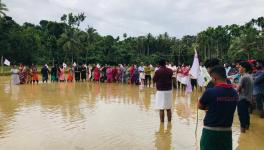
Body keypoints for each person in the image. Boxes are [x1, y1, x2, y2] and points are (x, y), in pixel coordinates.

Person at [199, 66, 238, 150]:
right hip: (227, 132)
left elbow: (200, 106)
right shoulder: (235, 93)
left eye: (211, 78)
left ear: (214, 77)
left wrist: (209, 106)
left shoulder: (210, 92)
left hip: (210, 132)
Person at [237, 61, 253, 133]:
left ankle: (242, 132)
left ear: (244, 68)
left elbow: (238, 89)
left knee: (241, 115)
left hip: (242, 99)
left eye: (240, 67)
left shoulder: (243, 77)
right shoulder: (250, 76)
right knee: (246, 114)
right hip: (248, 99)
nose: (238, 68)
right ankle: (247, 130)